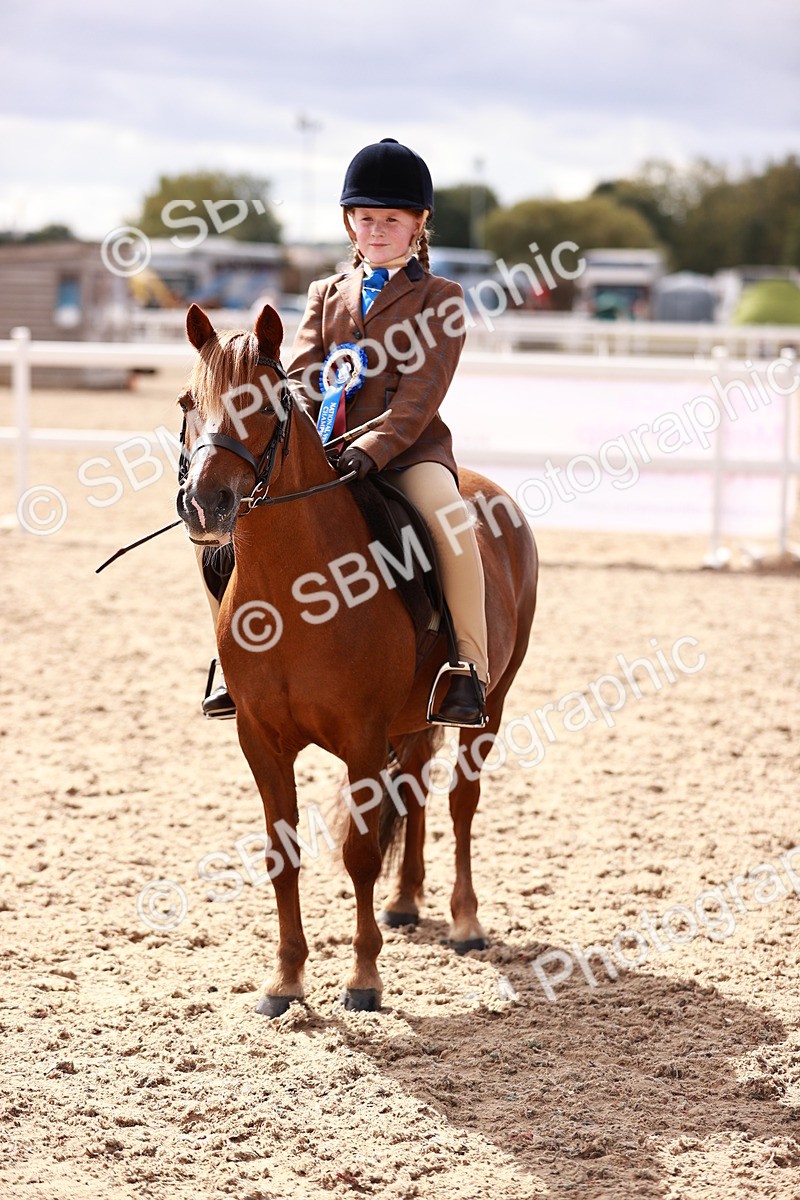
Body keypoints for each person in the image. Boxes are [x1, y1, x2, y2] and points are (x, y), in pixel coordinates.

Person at [201, 137, 489, 727]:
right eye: (365, 219)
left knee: (447, 519)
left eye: (391, 219)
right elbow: (302, 378)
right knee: (226, 532)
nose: (377, 230)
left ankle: (468, 668)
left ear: (418, 225)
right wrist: (301, 443)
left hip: (408, 451)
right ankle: (230, 662)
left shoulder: (442, 299)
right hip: (322, 450)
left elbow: (419, 397)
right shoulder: (324, 295)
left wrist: (373, 448)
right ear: (349, 225)